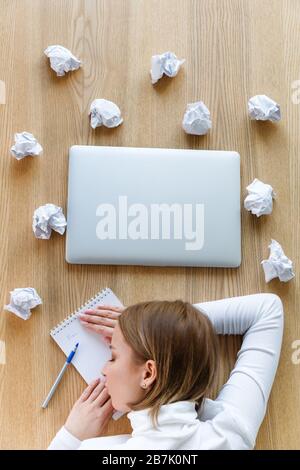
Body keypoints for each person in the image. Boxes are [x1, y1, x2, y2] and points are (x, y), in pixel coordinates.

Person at [48, 293, 284, 450]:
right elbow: (266, 310)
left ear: (149, 373)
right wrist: (160, 331)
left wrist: (71, 436)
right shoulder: (231, 436)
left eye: (113, 357)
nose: (103, 369)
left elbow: (267, 309)